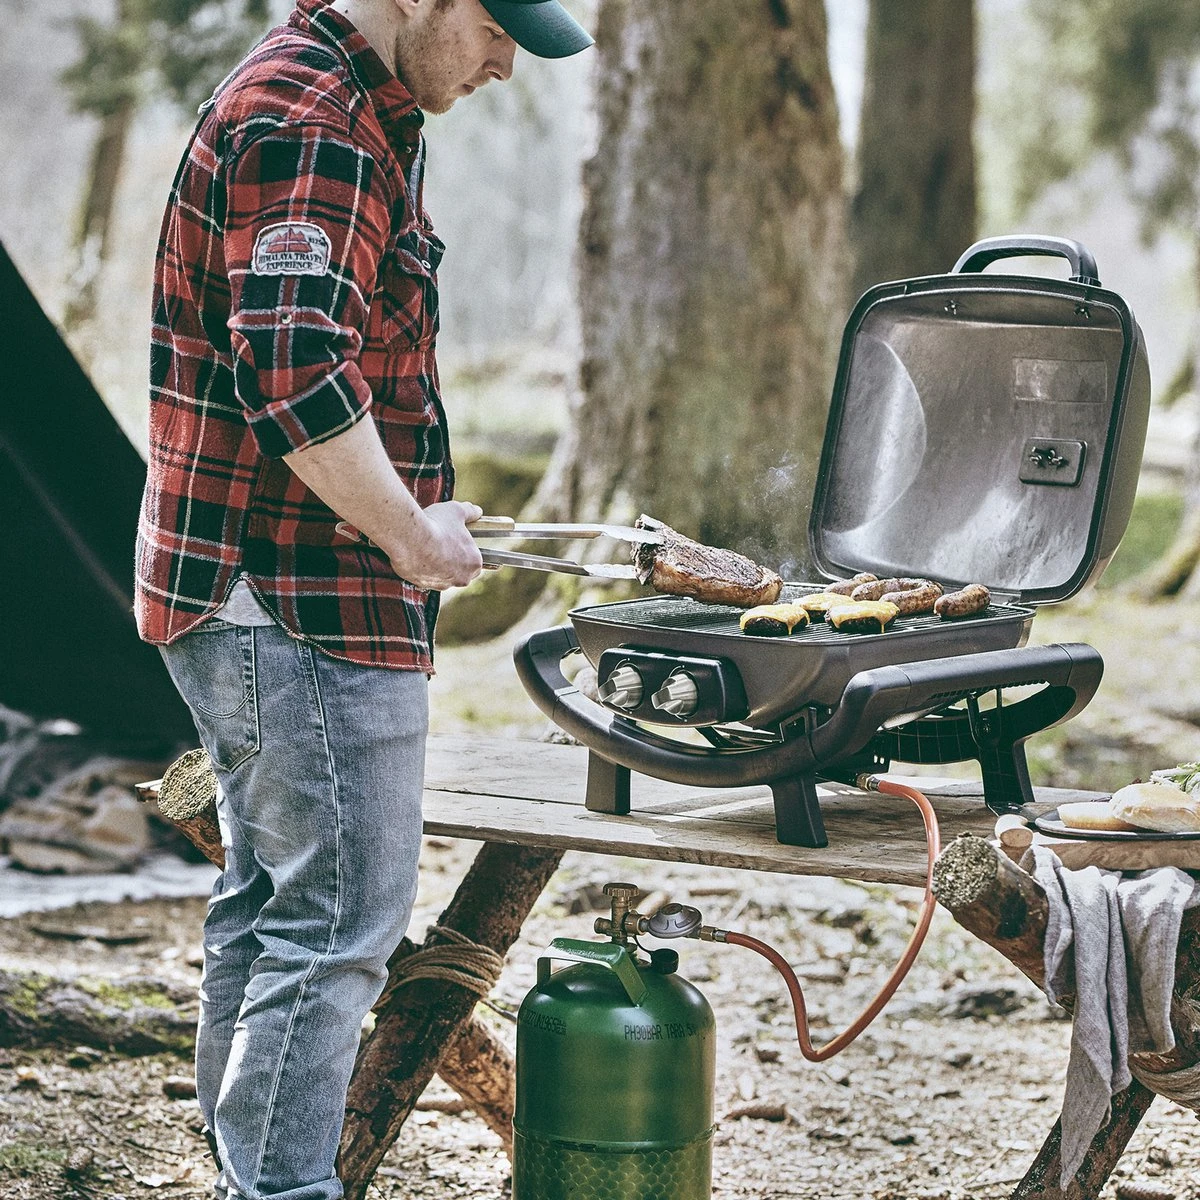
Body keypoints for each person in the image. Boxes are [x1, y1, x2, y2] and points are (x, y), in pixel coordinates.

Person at [133, 0, 591, 1196]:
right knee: (335, 929)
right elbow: (293, 371)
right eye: (497, 28)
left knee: (271, 910)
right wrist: (406, 532)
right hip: (298, 599)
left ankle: (254, 1182)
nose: (505, 63)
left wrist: (417, 514)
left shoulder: (347, 104)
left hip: (253, 592)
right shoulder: (317, 119)